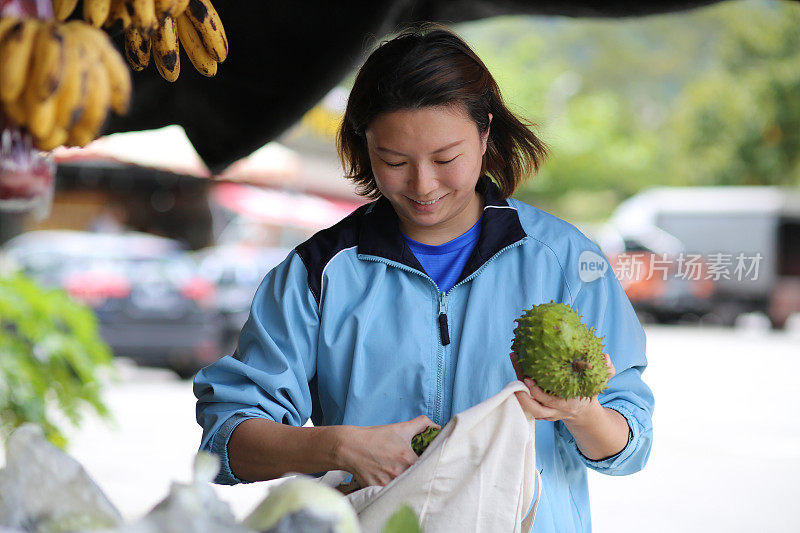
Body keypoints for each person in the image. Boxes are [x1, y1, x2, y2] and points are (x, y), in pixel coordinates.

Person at [194, 23, 654, 532]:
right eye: (393, 161)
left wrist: (580, 412)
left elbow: (628, 446)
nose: (422, 185)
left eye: (445, 158)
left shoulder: (566, 261)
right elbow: (226, 438)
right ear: (362, 146)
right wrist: (341, 447)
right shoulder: (317, 273)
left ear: (484, 135)